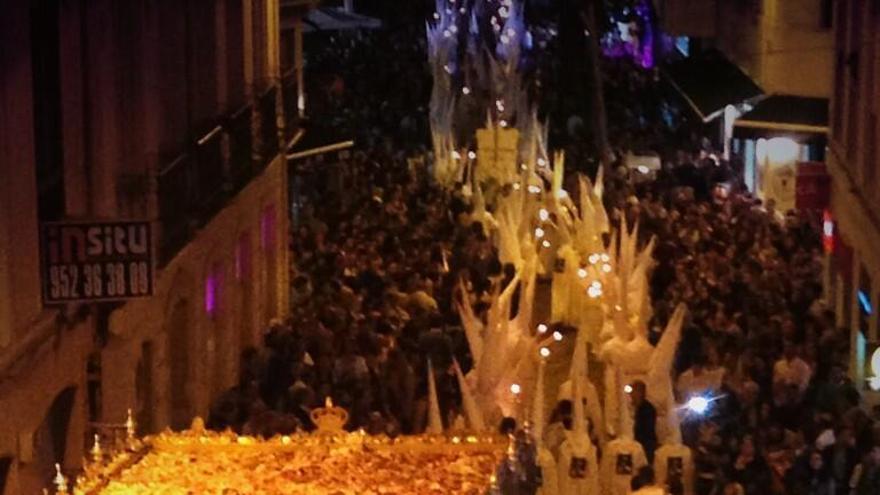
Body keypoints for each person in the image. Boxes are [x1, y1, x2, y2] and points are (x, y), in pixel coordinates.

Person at [631, 380, 658, 463]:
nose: (631, 394)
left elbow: (647, 429)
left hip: (646, 445)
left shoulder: (648, 409)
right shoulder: (636, 407)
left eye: (634, 391)